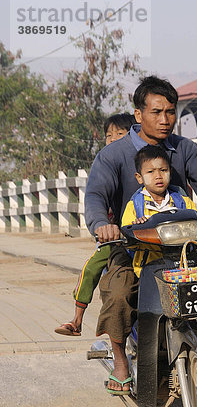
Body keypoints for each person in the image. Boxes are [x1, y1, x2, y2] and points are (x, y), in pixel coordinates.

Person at [84, 75, 197, 394]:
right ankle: (120, 362)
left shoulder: (183, 149)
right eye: (156, 112)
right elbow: (95, 196)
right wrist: (102, 224)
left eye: (170, 112)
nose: (164, 119)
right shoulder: (113, 155)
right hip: (131, 249)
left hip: (182, 245)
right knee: (117, 293)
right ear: (138, 114)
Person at [54, 112, 136, 336]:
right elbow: (96, 195)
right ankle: (77, 319)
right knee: (92, 267)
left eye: (120, 133)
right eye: (109, 135)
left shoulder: (143, 163)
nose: (113, 139)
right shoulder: (105, 163)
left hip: (149, 234)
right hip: (117, 237)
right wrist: (103, 225)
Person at [122, 144, 197, 278]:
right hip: (148, 265)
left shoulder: (181, 200)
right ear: (139, 177)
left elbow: (194, 216)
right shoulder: (135, 205)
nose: (158, 176)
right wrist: (136, 225)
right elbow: (126, 231)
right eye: (150, 172)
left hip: (184, 261)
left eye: (163, 170)